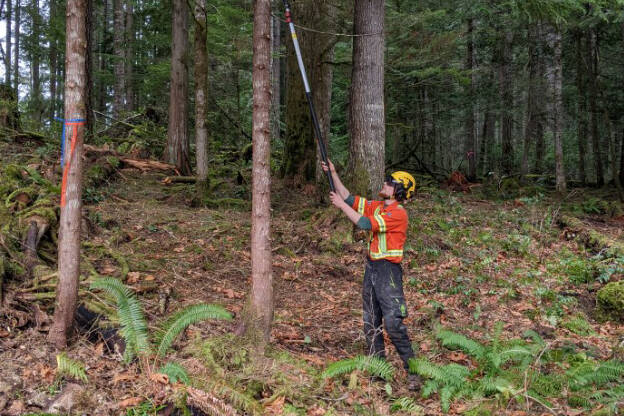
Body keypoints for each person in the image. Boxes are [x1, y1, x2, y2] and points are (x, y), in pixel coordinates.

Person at [322, 160, 422, 391]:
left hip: (389, 272)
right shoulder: (378, 206)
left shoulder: (398, 213)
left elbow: (365, 224)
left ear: (399, 190)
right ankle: (380, 371)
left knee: (394, 324)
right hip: (372, 269)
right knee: (371, 322)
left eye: (391, 183)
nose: (386, 184)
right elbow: (348, 198)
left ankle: (413, 372)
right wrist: (334, 173)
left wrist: (340, 206)